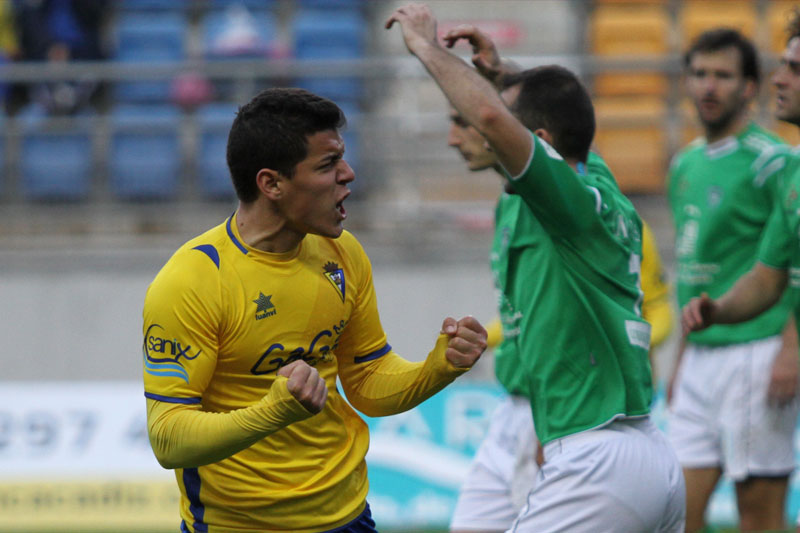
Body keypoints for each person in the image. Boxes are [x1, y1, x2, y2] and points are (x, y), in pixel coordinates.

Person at [387, 4, 685, 531]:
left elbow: (496, 120)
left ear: (541, 146)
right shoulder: (596, 183)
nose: (468, 135)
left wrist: (425, 47)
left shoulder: (564, 206)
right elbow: (557, 118)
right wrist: (505, 75)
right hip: (629, 445)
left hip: (595, 452)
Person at [141, 87, 488, 533]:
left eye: (342, 158)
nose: (349, 174)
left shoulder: (341, 253)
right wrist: (274, 410)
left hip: (347, 517)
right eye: (327, 165)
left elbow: (366, 380)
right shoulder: (191, 281)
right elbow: (168, 438)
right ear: (272, 184)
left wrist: (437, 368)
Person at [667, 27, 799, 533]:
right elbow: (693, 273)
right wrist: (681, 357)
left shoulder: (775, 163)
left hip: (756, 353)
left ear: (749, 87)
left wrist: (791, 347)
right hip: (702, 356)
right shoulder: (684, 164)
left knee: (759, 519)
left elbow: (786, 270)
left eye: (723, 75)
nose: (708, 86)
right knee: (675, 513)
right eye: (699, 74)